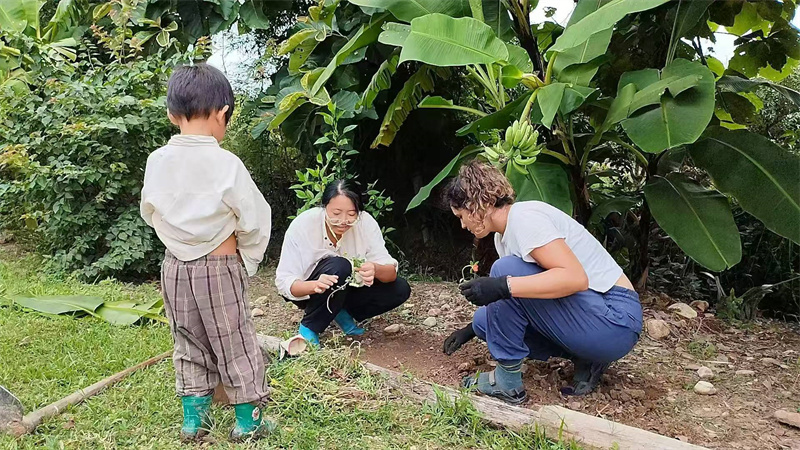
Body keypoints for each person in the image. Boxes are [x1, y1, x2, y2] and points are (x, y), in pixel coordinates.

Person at [140, 63, 275, 442]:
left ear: (172, 114)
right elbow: (255, 218)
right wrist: (246, 259)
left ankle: (193, 421)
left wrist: (179, 240)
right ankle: (248, 422)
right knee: (235, 339)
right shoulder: (226, 163)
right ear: (222, 113)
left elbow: (150, 211)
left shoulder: (157, 161)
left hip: (174, 267)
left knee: (187, 338)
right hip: (219, 266)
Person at [441, 161, 642, 404]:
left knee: (504, 272)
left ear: (477, 204)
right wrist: (470, 330)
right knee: (484, 322)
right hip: (594, 318)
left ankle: (507, 381)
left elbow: (575, 278)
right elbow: (518, 301)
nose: (463, 225)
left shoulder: (525, 219)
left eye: (461, 216)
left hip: (616, 320)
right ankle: (586, 357)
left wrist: (502, 286)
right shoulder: (502, 238)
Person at [275, 179, 411, 346]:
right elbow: (284, 281)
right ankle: (310, 327)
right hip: (309, 291)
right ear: (324, 207)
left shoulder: (365, 223)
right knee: (340, 265)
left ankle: (341, 313)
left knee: (400, 288)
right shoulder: (304, 225)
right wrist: (314, 285)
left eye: (352, 214)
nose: (344, 220)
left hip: (347, 289)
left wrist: (375, 269)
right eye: (336, 213)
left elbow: (390, 272)